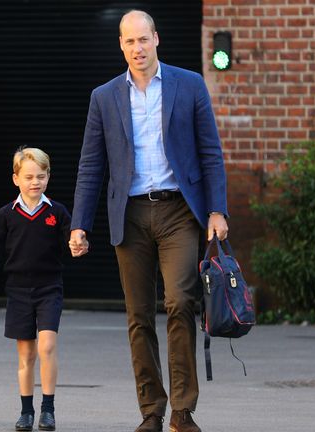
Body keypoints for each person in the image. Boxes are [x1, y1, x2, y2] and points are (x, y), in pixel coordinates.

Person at [69, 10, 229, 432]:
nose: (137, 49)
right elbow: (91, 165)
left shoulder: (189, 85)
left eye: (143, 39)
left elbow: (210, 151)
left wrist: (216, 210)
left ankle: (182, 409)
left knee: (180, 302)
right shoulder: (103, 97)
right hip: (131, 213)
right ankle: (151, 411)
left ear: (156, 39)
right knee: (138, 315)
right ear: (120, 46)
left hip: (179, 211)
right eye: (129, 42)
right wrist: (79, 223)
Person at [0, 147, 71, 432]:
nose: (35, 182)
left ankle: (48, 409)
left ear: (48, 177)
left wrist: (78, 244)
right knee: (26, 355)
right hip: (18, 290)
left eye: (41, 176)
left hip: (49, 288)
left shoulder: (57, 212)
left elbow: (72, 240)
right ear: (16, 178)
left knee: (48, 345)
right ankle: (26, 411)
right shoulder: (7, 214)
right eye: (28, 176)